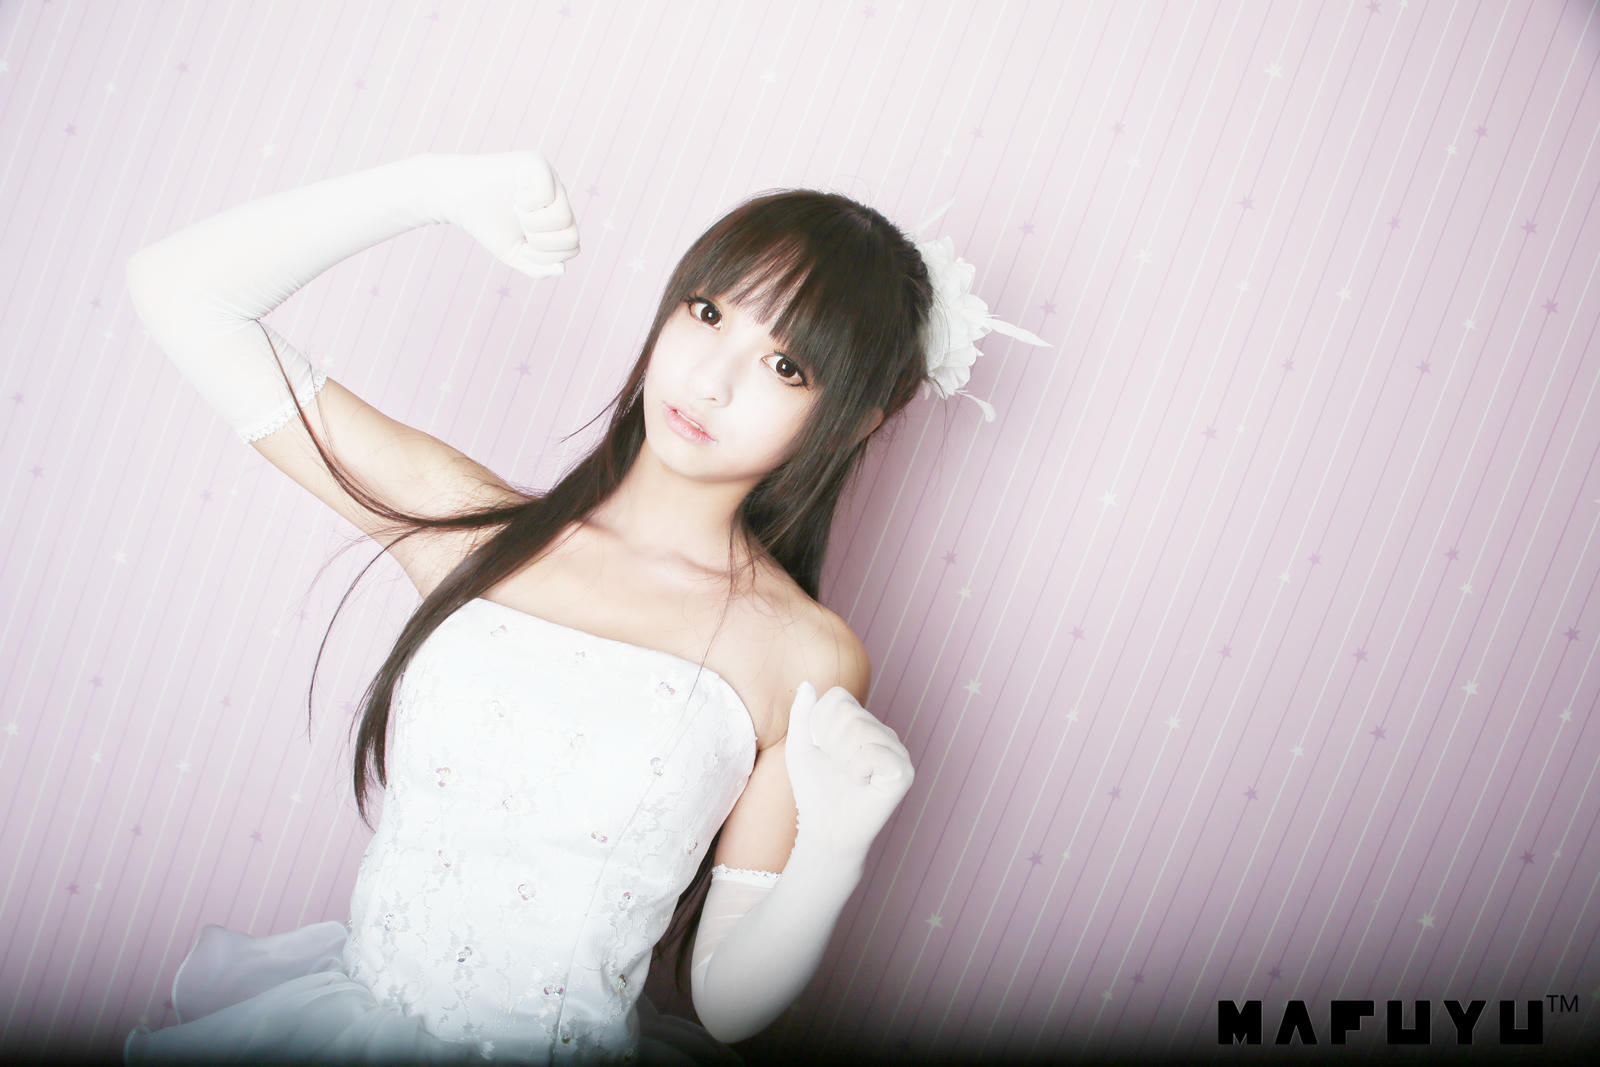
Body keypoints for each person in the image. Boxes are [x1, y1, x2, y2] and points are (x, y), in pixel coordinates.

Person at [119, 150, 1043, 1064]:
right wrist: (428, 188)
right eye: (709, 312)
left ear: (852, 419)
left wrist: (835, 851)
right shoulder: (468, 530)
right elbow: (179, 291)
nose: (711, 380)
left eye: (785, 365)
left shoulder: (805, 653)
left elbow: (727, 1002)